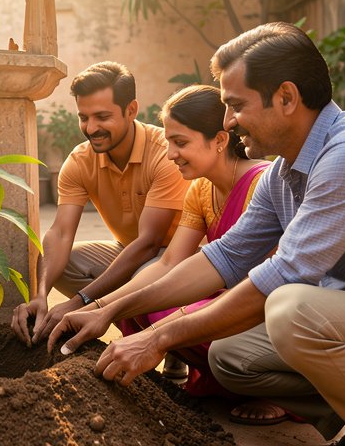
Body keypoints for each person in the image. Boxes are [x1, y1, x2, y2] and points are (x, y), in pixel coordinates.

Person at [66, 22, 345, 446]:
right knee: (231, 357)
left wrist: (158, 337)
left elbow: (283, 275)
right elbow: (225, 257)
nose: (230, 122)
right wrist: (107, 308)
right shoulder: (284, 172)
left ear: (287, 97)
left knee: (292, 308)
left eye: (237, 105)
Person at [45, 85, 289, 424]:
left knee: (177, 324)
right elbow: (168, 262)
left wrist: (152, 337)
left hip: (264, 307)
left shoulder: (262, 184)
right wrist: (101, 308)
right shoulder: (202, 187)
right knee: (146, 307)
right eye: (169, 142)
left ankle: (276, 394)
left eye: (181, 143)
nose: (170, 153)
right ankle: (217, 380)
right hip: (227, 292)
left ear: (220, 140)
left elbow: (259, 286)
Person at [11, 61, 191, 350]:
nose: (91, 128)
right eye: (84, 117)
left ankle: (167, 347)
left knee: (145, 273)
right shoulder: (81, 160)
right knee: (64, 261)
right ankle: (121, 319)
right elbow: (59, 233)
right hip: (127, 252)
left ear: (131, 110)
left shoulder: (164, 153)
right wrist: (40, 294)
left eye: (102, 116)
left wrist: (80, 302)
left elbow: (149, 242)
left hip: (174, 259)